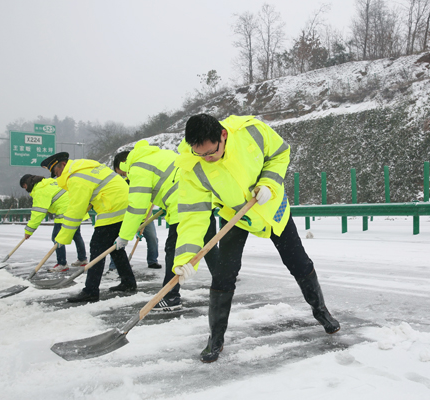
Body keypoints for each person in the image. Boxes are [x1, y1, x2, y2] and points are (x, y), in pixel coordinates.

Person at [173, 114, 340, 363]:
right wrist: (186, 258)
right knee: (223, 275)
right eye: (200, 154)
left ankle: (322, 312)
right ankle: (215, 338)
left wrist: (269, 183)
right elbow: (193, 216)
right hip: (236, 217)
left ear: (223, 135)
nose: (206, 159)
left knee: (298, 263)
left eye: (211, 152)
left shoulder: (251, 130)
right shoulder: (191, 167)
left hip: (271, 207)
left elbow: (280, 152)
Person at [112, 141, 219, 311]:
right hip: (202, 199)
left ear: (124, 164)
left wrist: (124, 236)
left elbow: (136, 206)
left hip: (184, 207)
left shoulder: (138, 167)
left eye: (124, 174)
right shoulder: (160, 155)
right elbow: (168, 184)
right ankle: (223, 285)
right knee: (209, 248)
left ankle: (170, 296)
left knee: (174, 251)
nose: (126, 177)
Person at [40, 152, 137, 303]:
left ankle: (91, 291)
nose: (56, 176)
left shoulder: (76, 178)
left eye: (56, 172)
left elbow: (75, 210)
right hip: (124, 206)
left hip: (113, 209)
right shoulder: (85, 168)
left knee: (97, 248)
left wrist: (62, 237)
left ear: (63, 165)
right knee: (115, 248)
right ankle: (128, 282)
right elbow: (88, 199)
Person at [19, 174, 88, 271]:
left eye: (25, 187)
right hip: (76, 207)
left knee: (57, 237)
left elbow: (37, 213)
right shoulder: (50, 182)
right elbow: (57, 198)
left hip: (65, 212)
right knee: (76, 235)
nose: (26, 190)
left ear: (28, 183)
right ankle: (82, 259)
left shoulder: (39, 190)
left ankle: (62, 263)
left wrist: (29, 230)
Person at [110, 151, 162, 271]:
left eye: (122, 172)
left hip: (145, 217)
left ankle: (152, 261)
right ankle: (114, 265)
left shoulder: (143, 176)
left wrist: (145, 218)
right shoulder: (125, 184)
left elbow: (146, 199)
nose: (124, 175)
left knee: (153, 238)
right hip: (128, 217)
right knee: (119, 240)